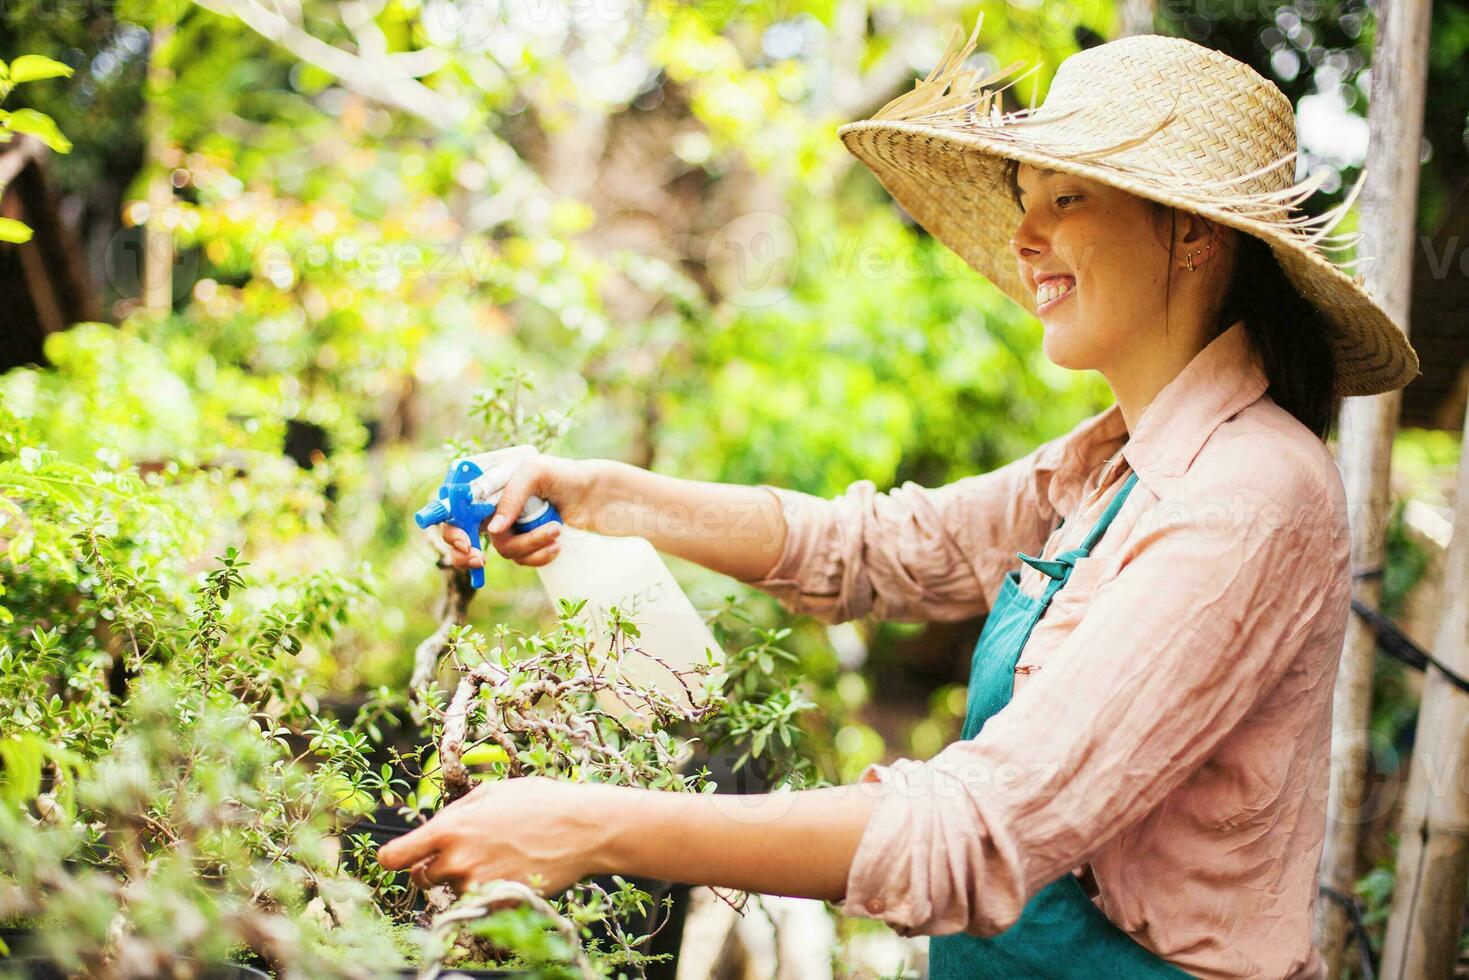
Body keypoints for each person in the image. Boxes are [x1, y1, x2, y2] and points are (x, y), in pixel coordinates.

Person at [378, 24, 1421, 979]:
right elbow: (882, 548)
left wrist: (596, 823)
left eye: (1066, 196)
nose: (1022, 233)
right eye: (1025, 193)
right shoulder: (1116, 462)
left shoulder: (1248, 498)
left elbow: (974, 827)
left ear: (1191, 236)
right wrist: (599, 492)